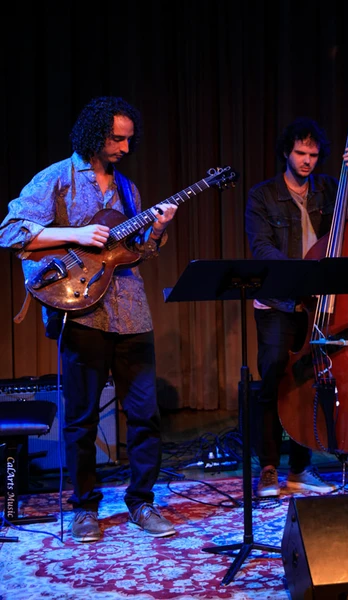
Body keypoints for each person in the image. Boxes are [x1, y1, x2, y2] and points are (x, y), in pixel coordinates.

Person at [0, 97, 178, 542]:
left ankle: (141, 502)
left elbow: (137, 252)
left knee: (144, 415)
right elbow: (10, 230)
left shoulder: (128, 189)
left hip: (132, 312)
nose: (123, 147)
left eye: (128, 140)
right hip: (83, 315)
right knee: (80, 421)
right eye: (116, 138)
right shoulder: (57, 179)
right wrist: (75, 233)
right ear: (94, 134)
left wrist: (155, 229)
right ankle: (84, 509)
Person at [244, 117, 348, 497]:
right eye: (300, 153)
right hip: (280, 302)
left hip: (321, 306)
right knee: (274, 376)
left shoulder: (329, 188)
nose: (307, 161)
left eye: (313, 154)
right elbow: (262, 249)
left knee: (309, 379)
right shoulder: (262, 196)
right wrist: (304, 277)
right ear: (286, 153)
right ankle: (270, 468)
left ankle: (301, 469)